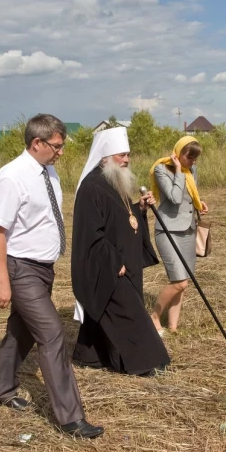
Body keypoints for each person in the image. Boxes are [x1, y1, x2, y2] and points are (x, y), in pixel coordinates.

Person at [0, 113, 103, 439]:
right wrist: (3, 281)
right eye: (57, 145)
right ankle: (71, 419)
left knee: (20, 332)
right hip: (21, 269)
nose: (61, 152)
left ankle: (1, 389)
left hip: (42, 269)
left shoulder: (48, 172)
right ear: (36, 143)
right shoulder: (11, 178)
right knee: (51, 334)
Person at [71, 127, 171, 376]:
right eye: (121, 155)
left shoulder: (113, 181)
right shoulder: (92, 187)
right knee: (129, 314)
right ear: (105, 156)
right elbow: (92, 233)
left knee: (106, 311)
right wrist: (114, 261)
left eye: (128, 155)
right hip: (109, 264)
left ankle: (90, 356)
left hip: (124, 259)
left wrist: (140, 209)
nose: (126, 159)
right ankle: (146, 362)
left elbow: (122, 218)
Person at [149, 136, 208, 335]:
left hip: (188, 230)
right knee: (179, 281)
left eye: (195, 159)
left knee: (184, 283)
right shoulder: (161, 169)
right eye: (190, 158)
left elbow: (188, 195)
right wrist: (180, 171)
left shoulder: (192, 169)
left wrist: (199, 203)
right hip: (168, 231)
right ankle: (154, 316)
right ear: (179, 153)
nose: (193, 162)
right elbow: (174, 198)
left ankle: (173, 327)